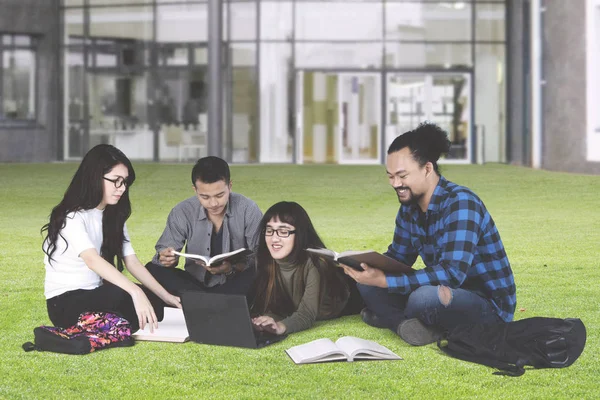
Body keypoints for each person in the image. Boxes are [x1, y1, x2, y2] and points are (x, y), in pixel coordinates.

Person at [342, 122, 516, 346]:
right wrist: (363, 266)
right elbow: (398, 258)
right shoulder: (409, 208)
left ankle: (393, 317)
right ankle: (404, 324)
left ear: (427, 169)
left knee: (422, 298)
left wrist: (385, 281)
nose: (395, 184)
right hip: (442, 291)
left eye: (402, 175)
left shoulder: (461, 203)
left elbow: (452, 274)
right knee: (367, 284)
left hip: (485, 304)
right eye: (390, 176)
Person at [42, 144, 181, 332]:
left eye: (124, 182)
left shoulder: (113, 215)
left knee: (157, 302)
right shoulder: (73, 217)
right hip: (65, 302)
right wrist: (135, 291)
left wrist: (165, 296)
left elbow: (131, 261)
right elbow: (92, 260)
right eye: (116, 181)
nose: (121, 188)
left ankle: (118, 321)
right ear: (95, 178)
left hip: (97, 294)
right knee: (128, 299)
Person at [145, 156, 262, 296]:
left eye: (219, 195)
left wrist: (230, 269)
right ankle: (216, 302)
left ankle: (201, 302)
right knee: (152, 269)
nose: (213, 203)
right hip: (194, 283)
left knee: (259, 273)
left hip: (234, 282)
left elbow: (262, 257)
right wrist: (166, 258)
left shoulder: (248, 209)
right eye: (205, 197)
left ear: (230, 186)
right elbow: (164, 252)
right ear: (195, 190)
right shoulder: (182, 211)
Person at [250, 201, 363, 336]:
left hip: (356, 295)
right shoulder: (267, 261)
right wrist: (266, 320)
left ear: (299, 234)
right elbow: (277, 308)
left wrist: (281, 326)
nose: (274, 238)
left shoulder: (315, 262)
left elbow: (306, 314)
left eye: (283, 231)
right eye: (269, 230)